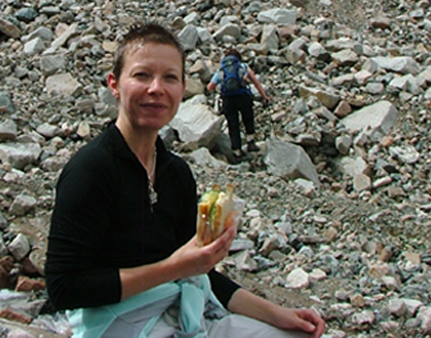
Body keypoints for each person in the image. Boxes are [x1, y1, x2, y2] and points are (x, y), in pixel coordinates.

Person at [46, 23, 325, 338]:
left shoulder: (175, 173)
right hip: (117, 323)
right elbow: (63, 288)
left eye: (169, 78)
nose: (156, 89)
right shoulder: (91, 170)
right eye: (141, 76)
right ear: (114, 84)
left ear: (182, 88)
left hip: (182, 309)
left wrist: (280, 315)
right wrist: (174, 268)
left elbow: (196, 272)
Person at [207, 49, 271, 161]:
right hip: (243, 97)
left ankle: (237, 151)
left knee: (233, 124)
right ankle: (251, 142)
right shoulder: (243, 67)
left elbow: (209, 87)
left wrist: (220, 91)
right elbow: (256, 82)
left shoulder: (221, 70)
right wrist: (264, 96)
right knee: (248, 118)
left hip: (228, 100)